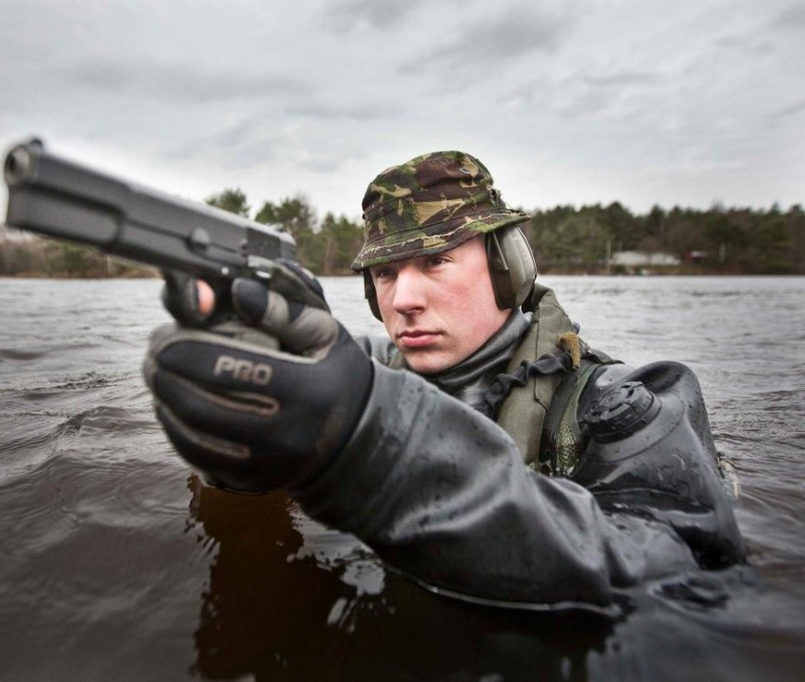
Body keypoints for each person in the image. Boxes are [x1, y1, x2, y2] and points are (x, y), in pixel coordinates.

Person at [143, 151, 746, 610]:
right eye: (383, 273)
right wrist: (241, 447)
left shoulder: (623, 402)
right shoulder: (361, 376)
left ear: (508, 268)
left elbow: (683, 564)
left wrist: (378, 451)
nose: (402, 299)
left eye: (435, 261)